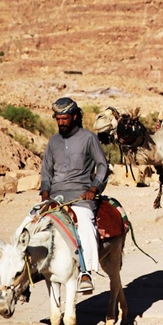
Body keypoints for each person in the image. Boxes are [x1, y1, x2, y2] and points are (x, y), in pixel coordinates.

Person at [40, 97, 109, 293]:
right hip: (55, 195)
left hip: (81, 194)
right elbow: (46, 172)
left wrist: (94, 188)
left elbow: (102, 166)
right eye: (58, 119)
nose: (61, 122)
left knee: (86, 223)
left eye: (65, 118)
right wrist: (45, 197)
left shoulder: (88, 138)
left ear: (75, 116)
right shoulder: (53, 142)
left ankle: (85, 273)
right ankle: (25, 276)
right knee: (30, 223)